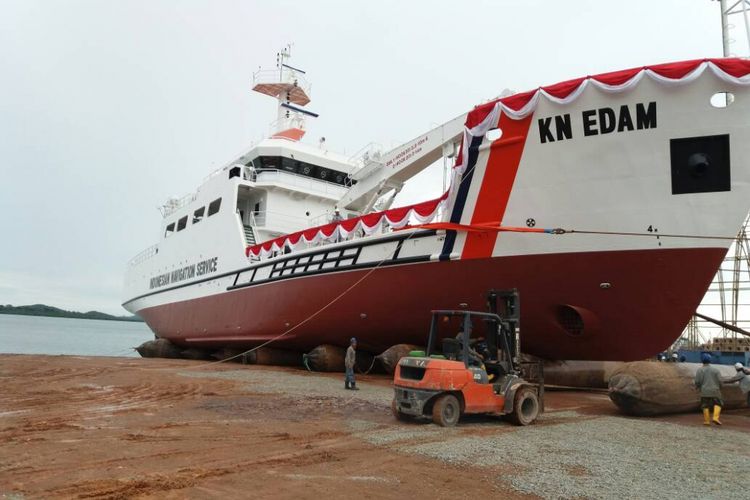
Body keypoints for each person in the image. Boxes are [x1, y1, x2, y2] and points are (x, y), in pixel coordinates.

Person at [694, 353, 724, 425]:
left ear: (702, 360)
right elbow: (720, 381)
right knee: (718, 403)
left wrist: (697, 387)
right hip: (715, 391)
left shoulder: (699, 370)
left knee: (705, 405)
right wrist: (720, 387)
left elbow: (697, 381)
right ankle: (715, 418)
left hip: (704, 391)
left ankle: (707, 421)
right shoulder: (716, 370)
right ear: (710, 360)